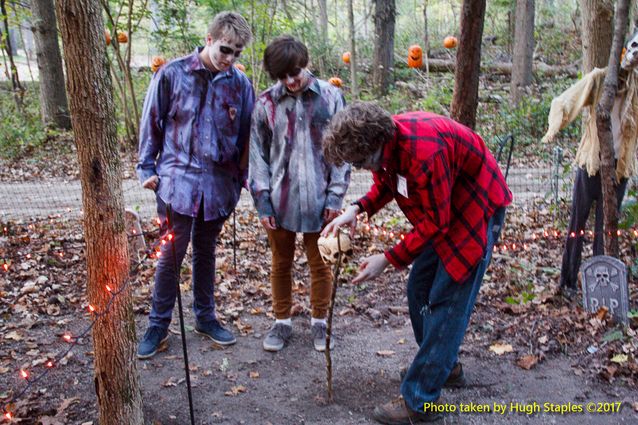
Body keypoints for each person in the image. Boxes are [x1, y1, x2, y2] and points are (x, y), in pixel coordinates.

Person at [321, 102, 511, 424]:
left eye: (363, 162)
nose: (365, 168)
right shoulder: (389, 145)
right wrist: (358, 207)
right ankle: (442, 365)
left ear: (378, 142)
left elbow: (438, 223)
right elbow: (387, 181)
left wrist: (388, 258)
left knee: (447, 304)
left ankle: (420, 400)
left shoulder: (425, 153)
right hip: (444, 210)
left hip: (474, 208)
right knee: (419, 290)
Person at [136, 11, 255, 359]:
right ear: (209, 39)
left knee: (207, 252)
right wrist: (147, 168)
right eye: (224, 49)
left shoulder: (240, 84)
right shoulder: (172, 74)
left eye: (236, 52)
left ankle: (205, 317)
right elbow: (152, 122)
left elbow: (247, 136)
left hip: (219, 187)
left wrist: (245, 179)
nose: (229, 58)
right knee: (170, 255)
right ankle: (157, 326)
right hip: (177, 183)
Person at [249, 35, 350, 352]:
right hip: (279, 202)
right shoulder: (265, 104)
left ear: (306, 63)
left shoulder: (332, 97)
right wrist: (262, 202)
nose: (291, 81)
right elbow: (257, 157)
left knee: (321, 263)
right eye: (283, 76)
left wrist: (335, 197)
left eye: (295, 72)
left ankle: (321, 324)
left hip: (322, 201)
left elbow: (343, 152)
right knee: (281, 263)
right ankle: (282, 323)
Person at [542, 32, 638, 297]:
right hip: (591, 164)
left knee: (605, 230)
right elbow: (566, 100)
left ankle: (601, 287)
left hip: (619, 169)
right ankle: (568, 282)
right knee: (577, 225)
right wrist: (554, 127)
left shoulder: (637, 87)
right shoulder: (599, 79)